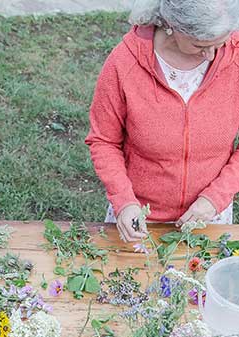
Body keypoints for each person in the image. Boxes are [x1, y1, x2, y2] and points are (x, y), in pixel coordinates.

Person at [86, 0, 239, 244]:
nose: (211, 55)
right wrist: (124, 202)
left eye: (219, 43)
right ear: (172, 25)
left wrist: (214, 199)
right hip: (140, 218)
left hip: (209, 218)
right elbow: (104, 141)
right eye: (200, 45)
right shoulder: (124, 63)